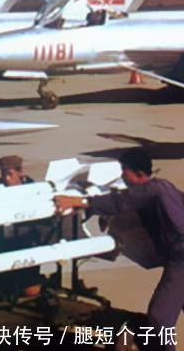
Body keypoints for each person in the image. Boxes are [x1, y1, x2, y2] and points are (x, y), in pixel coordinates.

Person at [54, 148, 184, 350]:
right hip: (177, 256)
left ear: (138, 173)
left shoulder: (151, 190)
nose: (123, 176)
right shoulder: (165, 187)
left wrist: (79, 201)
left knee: (159, 317)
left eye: (125, 171)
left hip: (181, 259)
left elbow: (121, 201)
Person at [0, 155, 42, 300]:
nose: (6, 179)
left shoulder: (33, 189)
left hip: (27, 241)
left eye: (10, 174)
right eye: (3, 174)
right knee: (3, 285)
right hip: (5, 241)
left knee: (30, 291)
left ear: (20, 172)